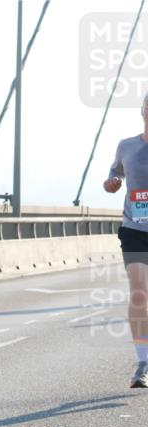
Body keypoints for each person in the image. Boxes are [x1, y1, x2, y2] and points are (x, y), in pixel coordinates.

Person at [103, 92, 148, 389]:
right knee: (139, 293)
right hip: (134, 228)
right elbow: (113, 175)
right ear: (143, 111)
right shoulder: (127, 146)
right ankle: (143, 363)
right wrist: (112, 184)